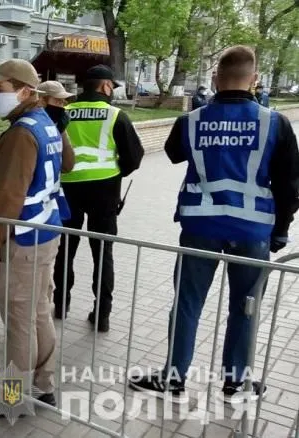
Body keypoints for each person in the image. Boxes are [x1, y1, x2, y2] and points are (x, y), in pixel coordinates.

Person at [129, 45, 299, 403]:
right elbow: (289, 185)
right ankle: (235, 383)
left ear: (215, 78)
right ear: (254, 80)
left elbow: (174, 154)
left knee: (188, 304)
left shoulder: (190, 121)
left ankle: (173, 380)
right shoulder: (275, 123)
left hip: (200, 228)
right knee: (245, 307)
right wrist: (281, 230)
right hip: (252, 232)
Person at [0, 59, 71, 419]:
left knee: (19, 324)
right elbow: (67, 165)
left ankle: (11, 398)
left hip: (20, 242)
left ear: (25, 91)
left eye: (0, 88)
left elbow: (8, 200)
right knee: (39, 313)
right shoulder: (44, 123)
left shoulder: (20, 134)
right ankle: (44, 387)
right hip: (43, 235)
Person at [52, 64, 145, 332]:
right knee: (102, 252)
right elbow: (134, 158)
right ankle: (102, 314)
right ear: (105, 86)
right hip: (104, 191)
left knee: (66, 249)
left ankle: (61, 304)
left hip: (68, 188)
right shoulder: (116, 116)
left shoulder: (64, 112)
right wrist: (115, 172)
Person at [36, 80, 76, 172]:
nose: (61, 107)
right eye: (58, 101)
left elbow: (67, 166)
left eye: (62, 102)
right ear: (41, 101)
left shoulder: (57, 126)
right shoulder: (29, 129)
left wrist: (60, 131)